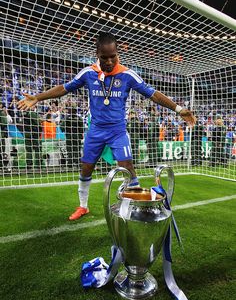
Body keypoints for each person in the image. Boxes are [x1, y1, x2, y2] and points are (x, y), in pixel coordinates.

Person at [18, 32, 196, 220]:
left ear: (117, 53)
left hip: (117, 131)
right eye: (105, 57)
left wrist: (178, 109)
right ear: (97, 53)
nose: (110, 61)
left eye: (113, 56)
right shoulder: (88, 73)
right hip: (95, 130)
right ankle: (83, 206)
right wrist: (38, 97)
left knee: (127, 166)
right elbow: (64, 88)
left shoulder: (127, 75)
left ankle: (134, 206)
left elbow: (152, 94)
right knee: (86, 167)